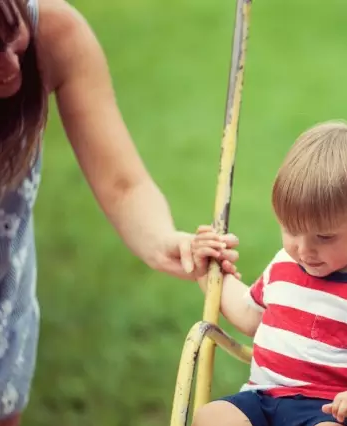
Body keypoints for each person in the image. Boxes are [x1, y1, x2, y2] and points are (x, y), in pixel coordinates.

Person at [0, 0, 236, 424]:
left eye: (11, 37)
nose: (10, 67)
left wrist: (164, 240)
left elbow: (123, 184)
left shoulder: (54, 33)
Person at [190, 118, 347, 426]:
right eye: (291, 230)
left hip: (330, 411)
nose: (304, 249)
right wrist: (209, 270)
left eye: (324, 237)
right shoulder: (284, 266)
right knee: (213, 416)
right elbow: (248, 314)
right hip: (263, 398)